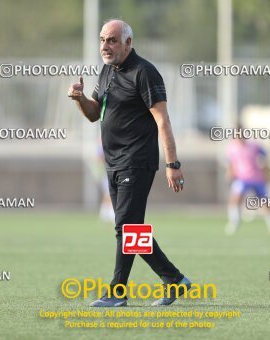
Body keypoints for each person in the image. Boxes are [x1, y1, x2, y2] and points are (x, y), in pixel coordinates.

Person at [68, 19, 190, 307]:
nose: (105, 46)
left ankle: (117, 292)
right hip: (112, 162)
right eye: (102, 40)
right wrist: (79, 98)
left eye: (111, 40)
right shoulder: (107, 70)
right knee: (130, 228)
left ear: (128, 43)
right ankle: (174, 280)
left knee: (125, 226)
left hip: (137, 162)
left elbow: (163, 121)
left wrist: (173, 164)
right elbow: (94, 113)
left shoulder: (145, 73)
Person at [225, 127, 270, 237]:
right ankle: (234, 222)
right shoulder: (232, 148)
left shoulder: (254, 146)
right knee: (235, 199)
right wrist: (230, 174)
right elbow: (231, 163)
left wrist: (266, 172)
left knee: (265, 202)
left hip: (256, 178)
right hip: (242, 179)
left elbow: (265, 158)